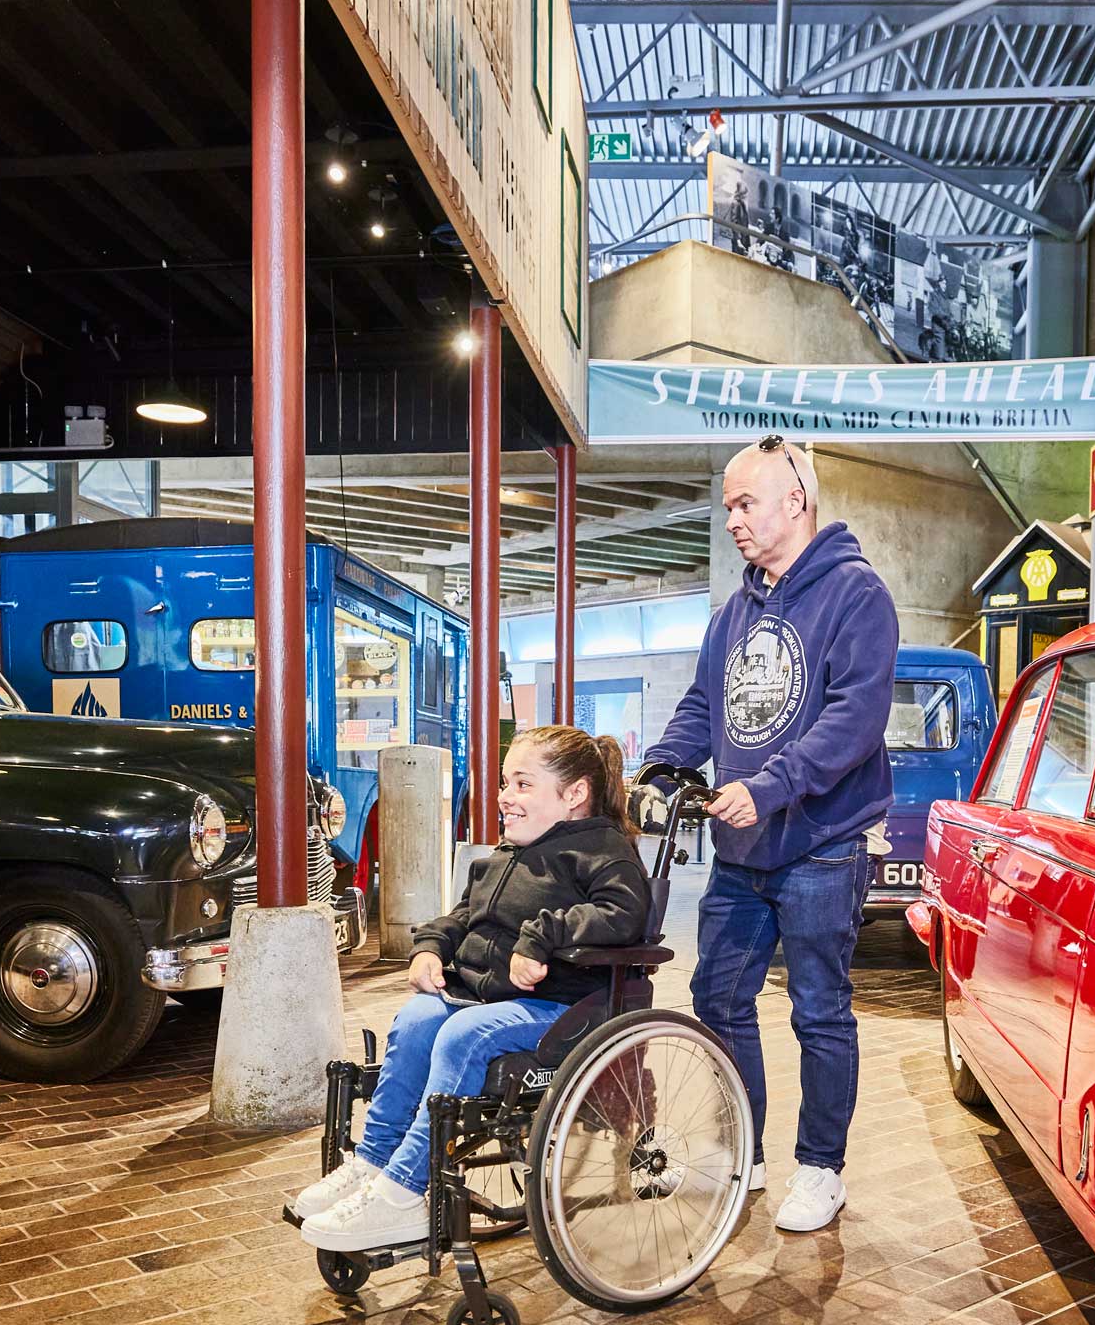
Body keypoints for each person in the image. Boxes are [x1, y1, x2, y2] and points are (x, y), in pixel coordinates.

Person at [642, 434, 897, 1234]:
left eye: (745, 504)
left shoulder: (857, 595)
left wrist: (773, 785)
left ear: (797, 501)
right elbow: (703, 708)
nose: (734, 522)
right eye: (727, 508)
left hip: (822, 845)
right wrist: (658, 767)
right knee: (718, 997)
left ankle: (821, 1168)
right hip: (743, 850)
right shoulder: (733, 612)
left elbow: (856, 719)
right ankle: (745, 1150)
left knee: (820, 1011)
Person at [295, 726, 651, 1253]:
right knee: (418, 1019)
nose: (505, 796)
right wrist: (430, 948)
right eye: (506, 782)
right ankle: (373, 1163)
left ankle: (404, 1193)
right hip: (490, 996)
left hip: (565, 1008)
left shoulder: (603, 851)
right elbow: (465, 914)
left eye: (523, 784)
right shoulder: (508, 854)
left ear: (574, 793)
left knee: (463, 1034)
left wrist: (542, 938)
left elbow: (624, 913)